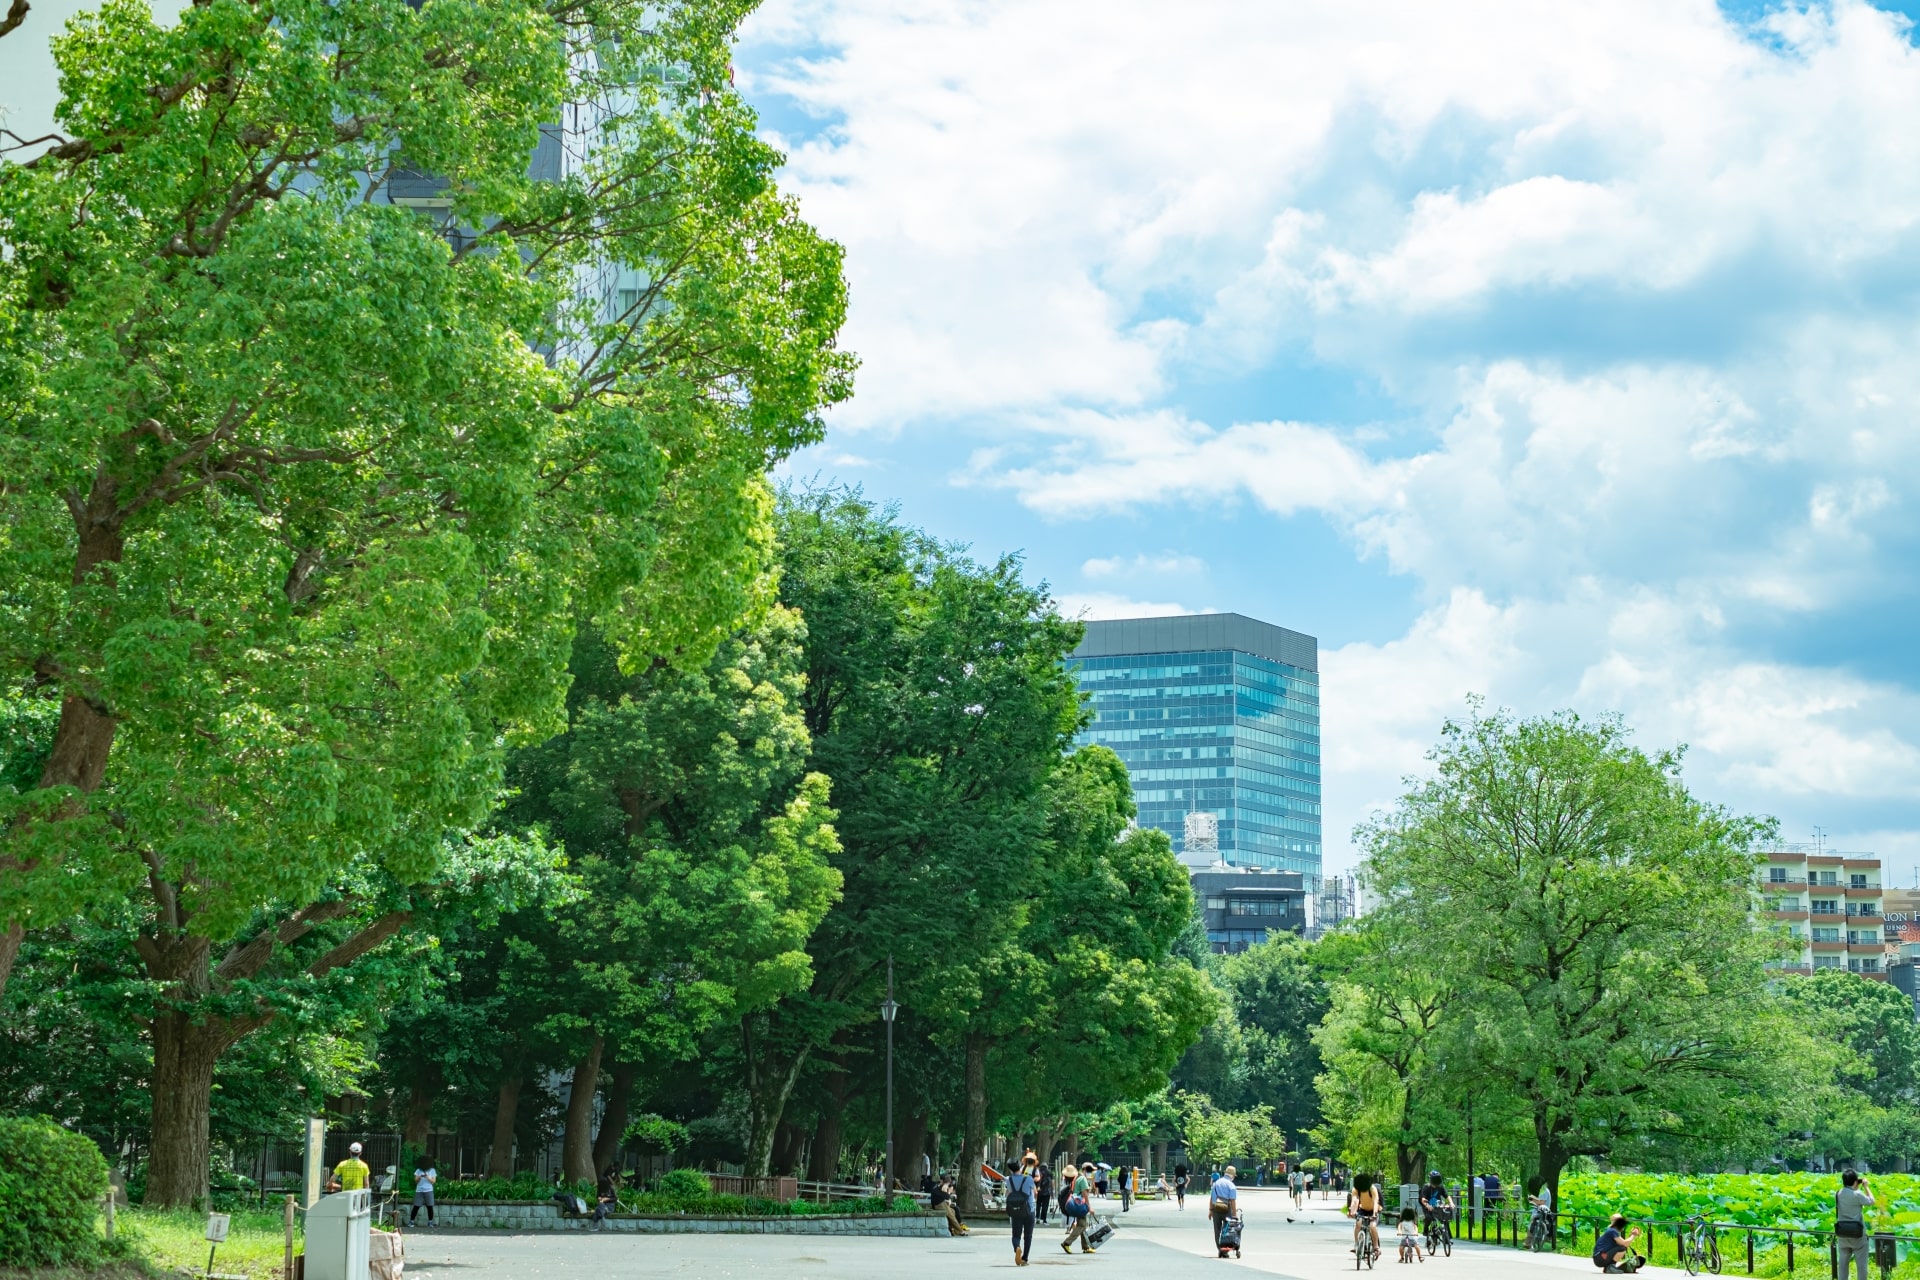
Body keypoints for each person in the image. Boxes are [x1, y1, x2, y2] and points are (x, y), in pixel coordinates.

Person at [1835, 1169, 1875, 1280]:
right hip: (1857, 1235)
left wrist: (1855, 1185)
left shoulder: (1838, 1193)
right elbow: (1871, 1201)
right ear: (1855, 1181)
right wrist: (1866, 1186)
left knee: (1842, 1265)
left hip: (1843, 1234)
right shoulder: (1857, 1194)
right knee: (1861, 1266)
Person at [1061, 1162, 1097, 1255]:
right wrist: (1090, 1207)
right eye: (1089, 1170)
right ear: (1084, 1169)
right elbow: (1084, 1194)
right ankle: (1067, 1243)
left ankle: (1085, 1247)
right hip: (1080, 1205)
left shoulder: (1076, 1178)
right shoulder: (1082, 1179)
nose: (1090, 1172)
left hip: (1075, 1205)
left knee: (1083, 1226)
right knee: (1081, 1226)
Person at [1346, 1172, 1384, 1258]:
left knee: (1372, 1226)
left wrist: (1374, 1214)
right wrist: (1352, 1212)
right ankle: (1356, 1244)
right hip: (1363, 1209)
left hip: (1374, 1209)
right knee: (1358, 1223)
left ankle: (1376, 1246)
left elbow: (1375, 1201)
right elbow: (1354, 1201)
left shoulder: (1372, 1189)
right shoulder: (1356, 1189)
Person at [1209, 1165, 1240, 1252]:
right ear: (1232, 1175)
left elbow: (1212, 1198)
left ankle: (1219, 1248)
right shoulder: (1231, 1185)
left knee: (1217, 1229)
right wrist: (1234, 1214)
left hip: (1216, 1208)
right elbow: (1232, 1201)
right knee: (1227, 1229)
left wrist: (1210, 1210)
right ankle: (1225, 1248)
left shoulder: (1216, 1183)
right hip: (1227, 1209)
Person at [1419, 1172, 1453, 1241]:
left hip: (1437, 1205)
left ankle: (1448, 1238)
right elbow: (1423, 1198)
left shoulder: (1441, 1187)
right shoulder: (1426, 1187)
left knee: (1445, 1219)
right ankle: (1425, 1230)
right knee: (1429, 1217)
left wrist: (1451, 1203)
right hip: (1427, 1205)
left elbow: (1447, 1196)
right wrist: (1427, 1205)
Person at [409, 1158, 437, 1226]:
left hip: (429, 1190)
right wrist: (420, 1177)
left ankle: (430, 1222)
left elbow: (433, 1181)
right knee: (416, 1206)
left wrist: (428, 1177)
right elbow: (416, 1181)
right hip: (419, 1190)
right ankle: (411, 1221)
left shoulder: (432, 1170)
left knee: (430, 1206)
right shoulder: (418, 1170)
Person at [1035, 1161, 1053, 1225]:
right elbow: (1051, 1183)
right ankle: (1044, 1219)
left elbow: (1036, 1181)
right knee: (1045, 1206)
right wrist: (1052, 1192)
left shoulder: (1038, 1172)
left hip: (1039, 1191)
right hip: (1047, 1192)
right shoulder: (1050, 1173)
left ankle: (1037, 1217)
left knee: (1038, 1205)